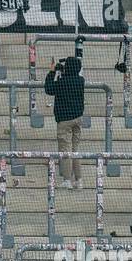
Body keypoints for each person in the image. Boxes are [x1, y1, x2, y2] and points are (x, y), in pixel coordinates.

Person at [44, 53, 85, 188]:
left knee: (65, 150)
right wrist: (61, 71)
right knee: (75, 150)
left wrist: (52, 71)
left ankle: (67, 180)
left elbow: (49, 89)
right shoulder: (81, 81)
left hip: (64, 120)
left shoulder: (62, 83)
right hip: (77, 119)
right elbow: (70, 77)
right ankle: (79, 180)